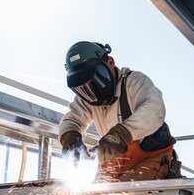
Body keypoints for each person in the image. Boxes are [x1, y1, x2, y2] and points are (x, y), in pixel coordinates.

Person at [58, 41, 180, 182]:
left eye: (95, 81)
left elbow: (154, 109)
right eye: (83, 88)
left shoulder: (134, 81)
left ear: (110, 62)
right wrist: (70, 139)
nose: (91, 92)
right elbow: (72, 119)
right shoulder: (89, 97)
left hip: (149, 156)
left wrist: (121, 134)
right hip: (113, 161)